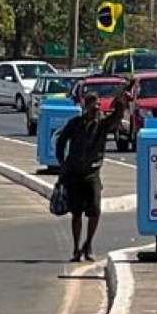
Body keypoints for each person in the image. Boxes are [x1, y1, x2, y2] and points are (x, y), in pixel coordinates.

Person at [54, 95, 107, 263]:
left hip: (92, 173)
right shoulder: (74, 123)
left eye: (98, 105)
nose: (96, 109)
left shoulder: (102, 125)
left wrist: (123, 102)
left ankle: (88, 244)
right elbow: (60, 142)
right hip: (74, 174)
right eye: (93, 105)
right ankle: (76, 249)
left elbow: (117, 116)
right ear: (86, 106)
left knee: (95, 210)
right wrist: (62, 164)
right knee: (76, 213)